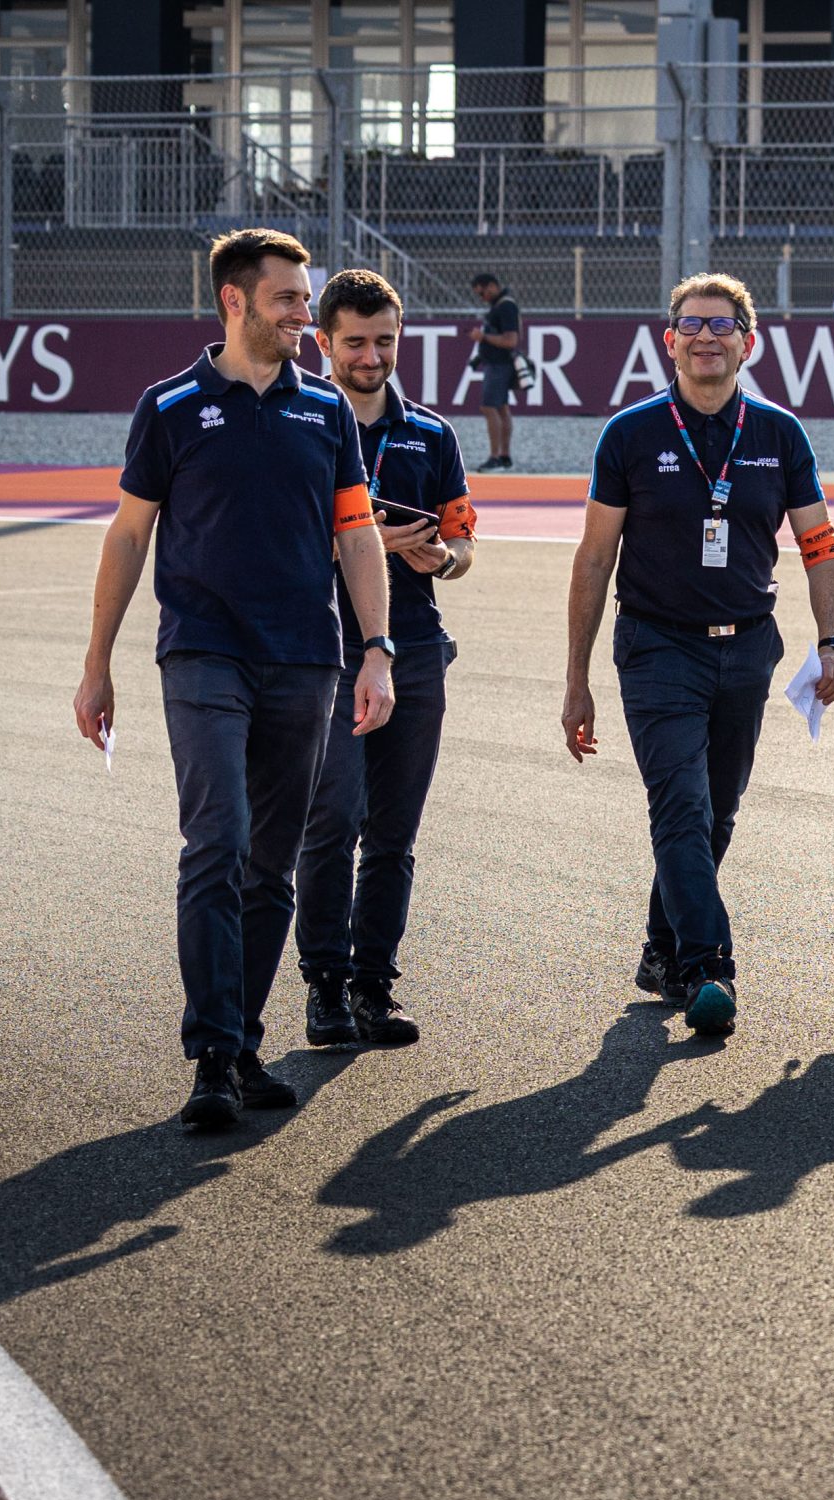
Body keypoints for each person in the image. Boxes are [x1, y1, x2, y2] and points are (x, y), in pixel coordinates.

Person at [72, 229, 397, 1131]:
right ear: (235, 300)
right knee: (216, 841)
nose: (303, 313)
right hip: (203, 652)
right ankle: (213, 1052)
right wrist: (97, 663)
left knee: (270, 864)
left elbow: (357, 534)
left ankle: (244, 1042)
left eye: (305, 297)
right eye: (288, 297)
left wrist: (377, 649)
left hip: (307, 659)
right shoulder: (170, 405)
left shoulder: (325, 410)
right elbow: (128, 536)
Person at [561, 272, 834, 1039]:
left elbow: (821, 545)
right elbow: (594, 559)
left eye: (722, 326)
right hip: (657, 646)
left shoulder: (779, 435)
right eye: (691, 325)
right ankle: (706, 966)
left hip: (748, 648)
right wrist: (577, 679)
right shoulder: (629, 434)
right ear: (669, 341)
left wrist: (833, 642)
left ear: (747, 343)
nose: (705, 337)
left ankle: (661, 947)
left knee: (716, 811)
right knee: (682, 806)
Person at [293, 268, 478, 1051]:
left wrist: (441, 558)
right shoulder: (297, 421)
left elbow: (464, 543)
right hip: (323, 651)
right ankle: (324, 984)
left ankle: (374, 984)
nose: (371, 356)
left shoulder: (432, 434)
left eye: (385, 341)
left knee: (394, 833)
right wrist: (360, 543)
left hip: (416, 650)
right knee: (332, 819)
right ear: (323, 342)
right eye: (356, 343)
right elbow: (274, 544)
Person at [469, 273, 520, 471]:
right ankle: (505, 457)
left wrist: (483, 337)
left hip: (499, 365)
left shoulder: (505, 306)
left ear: (491, 286)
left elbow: (510, 340)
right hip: (498, 364)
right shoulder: (500, 305)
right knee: (501, 409)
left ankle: (495, 457)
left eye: (482, 293)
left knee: (489, 408)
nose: (482, 297)